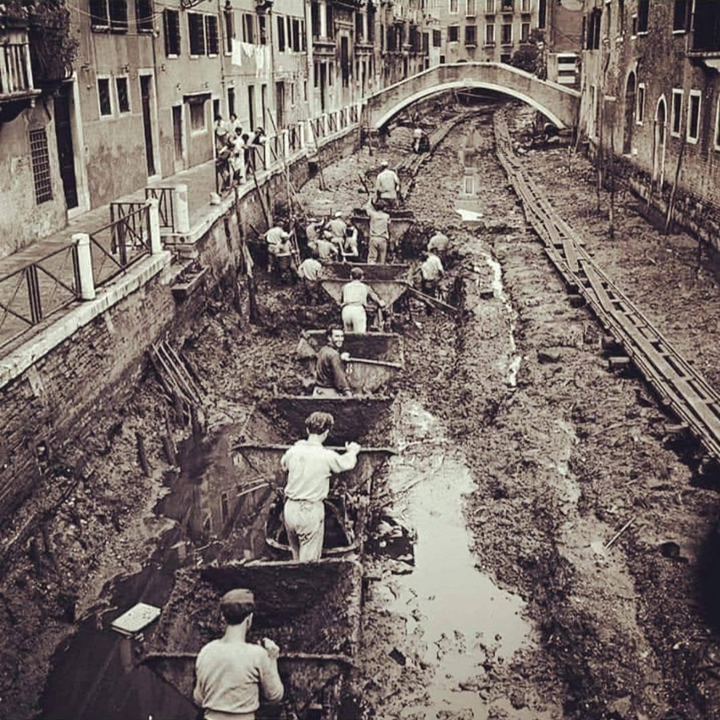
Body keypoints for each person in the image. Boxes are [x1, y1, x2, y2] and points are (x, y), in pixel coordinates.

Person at [281, 412, 361, 562]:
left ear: (307, 430)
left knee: (296, 558)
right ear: (326, 433)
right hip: (309, 512)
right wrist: (352, 451)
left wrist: (299, 446)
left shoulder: (294, 451)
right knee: (308, 565)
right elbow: (347, 463)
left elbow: (284, 466)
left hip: (290, 509)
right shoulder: (326, 455)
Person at [194, 588, 284, 720]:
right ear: (249, 618)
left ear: (223, 617)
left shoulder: (206, 651)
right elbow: (275, 696)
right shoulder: (257, 654)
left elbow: (199, 699)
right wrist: (272, 658)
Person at [341, 267, 386, 334]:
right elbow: (373, 296)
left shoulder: (345, 287)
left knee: (348, 335)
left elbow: (341, 300)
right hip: (358, 310)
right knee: (360, 335)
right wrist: (380, 302)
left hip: (346, 310)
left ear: (350, 277)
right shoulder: (365, 287)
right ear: (362, 278)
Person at [314, 326, 352, 397]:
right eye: (337, 336)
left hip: (318, 391)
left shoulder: (323, 350)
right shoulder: (334, 355)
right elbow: (340, 380)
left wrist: (340, 359)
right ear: (329, 338)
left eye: (341, 336)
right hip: (329, 393)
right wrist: (348, 393)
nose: (340, 339)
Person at [365, 198, 390, 265]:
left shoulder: (373, 215)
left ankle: (371, 270)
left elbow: (367, 208)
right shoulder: (387, 216)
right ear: (384, 208)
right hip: (383, 239)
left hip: (374, 238)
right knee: (382, 260)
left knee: (372, 259)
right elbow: (389, 223)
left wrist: (369, 199)